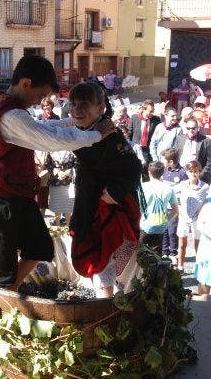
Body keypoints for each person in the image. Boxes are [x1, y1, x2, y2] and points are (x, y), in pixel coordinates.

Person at [0, 55, 115, 291]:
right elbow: (49, 140)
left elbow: (41, 129)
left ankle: (12, 289)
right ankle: (5, 298)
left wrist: (72, 121)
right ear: (26, 83)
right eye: (39, 96)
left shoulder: (14, 110)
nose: (39, 102)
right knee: (2, 273)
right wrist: (96, 134)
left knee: (40, 247)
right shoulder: (12, 115)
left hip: (16, 194)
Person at [68, 81, 142, 297]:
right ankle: (103, 307)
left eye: (84, 104)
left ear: (100, 108)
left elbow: (134, 166)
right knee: (96, 259)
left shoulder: (111, 133)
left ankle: (103, 314)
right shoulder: (82, 129)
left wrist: (113, 193)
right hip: (88, 201)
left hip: (105, 208)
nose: (76, 110)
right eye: (73, 104)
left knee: (102, 261)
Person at [140, 161, 179, 256]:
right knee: (156, 256)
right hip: (160, 226)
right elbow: (176, 211)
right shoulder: (169, 188)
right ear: (163, 172)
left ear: (149, 172)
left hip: (143, 226)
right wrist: (166, 220)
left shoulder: (142, 187)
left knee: (140, 255)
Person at [176, 160, 209, 272]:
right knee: (181, 244)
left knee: (197, 244)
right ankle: (180, 266)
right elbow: (175, 198)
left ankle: (199, 266)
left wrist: (201, 211)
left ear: (199, 172)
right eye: (191, 172)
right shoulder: (182, 185)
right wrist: (179, 209)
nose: (193, 174)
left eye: (196, 171)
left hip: (198, 219)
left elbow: (207, 202)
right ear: (187, 172)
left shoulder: (205, 187)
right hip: (183, 218)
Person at [160, 148, 187, 262]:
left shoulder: (181, 173)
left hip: (173, 207)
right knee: (164, 229)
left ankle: (173, 252)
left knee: (172, 230)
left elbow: (185, 190)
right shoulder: (164, 170)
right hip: (163, 206)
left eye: (163, 160)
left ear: (171, 161)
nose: (162, 162)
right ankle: (164, 251)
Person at [174, 117, 211, 184]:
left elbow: (209, 161)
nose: (190, 130)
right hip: (181, 174)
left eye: (193, 128)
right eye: (188, 128)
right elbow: (175, 155)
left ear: (197, 128)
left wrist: (200, 175)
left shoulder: (206, 141)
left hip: (197, 175)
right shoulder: (179, 138)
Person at [128, 99, 160, 180]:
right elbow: (129, 133)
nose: (152, 113)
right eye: (150, 111)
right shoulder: (134, 117)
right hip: (136, 147)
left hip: (147, 149)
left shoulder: (156, 120)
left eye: (153, 111)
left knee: (146, 168)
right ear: (143, 109)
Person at [46, 149, 75, 226]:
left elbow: (77, 164)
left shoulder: (73, 150)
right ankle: (57, 225)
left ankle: (69, 226)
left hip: (69, 182)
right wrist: (58, 172)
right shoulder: (51, 150)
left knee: (68, 205)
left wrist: (68, 172)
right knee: (57, 205)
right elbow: (47, 164)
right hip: (55, 181)